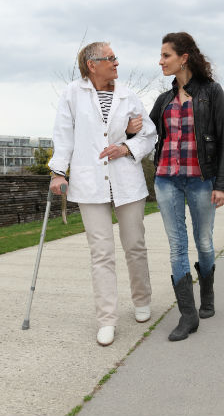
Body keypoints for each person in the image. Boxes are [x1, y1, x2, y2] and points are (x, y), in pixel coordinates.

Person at [48, 42, 157, 346]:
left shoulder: (127, 95)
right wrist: (58, 171)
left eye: (116, 58)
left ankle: (141, 300)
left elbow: (149, 133)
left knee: (135, 244)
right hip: (89, 182)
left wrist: (127, 146)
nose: (116, 63)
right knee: (101, 253)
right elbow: (63, 134)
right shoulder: (72, 93)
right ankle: (106, 318)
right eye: (111, 59)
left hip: (126, 181)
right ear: (92, 64)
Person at [149, 32, 224, 341]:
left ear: (183, 58)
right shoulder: (163, 100)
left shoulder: (211, 93)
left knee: (205, 241)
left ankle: (207, 296)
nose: (160, 61)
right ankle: (188, 314)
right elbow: (146, 134)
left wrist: (222, 184)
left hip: (201, 180)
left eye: (165, 55)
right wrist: (132, 129)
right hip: (166, 179)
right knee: (177, 245)